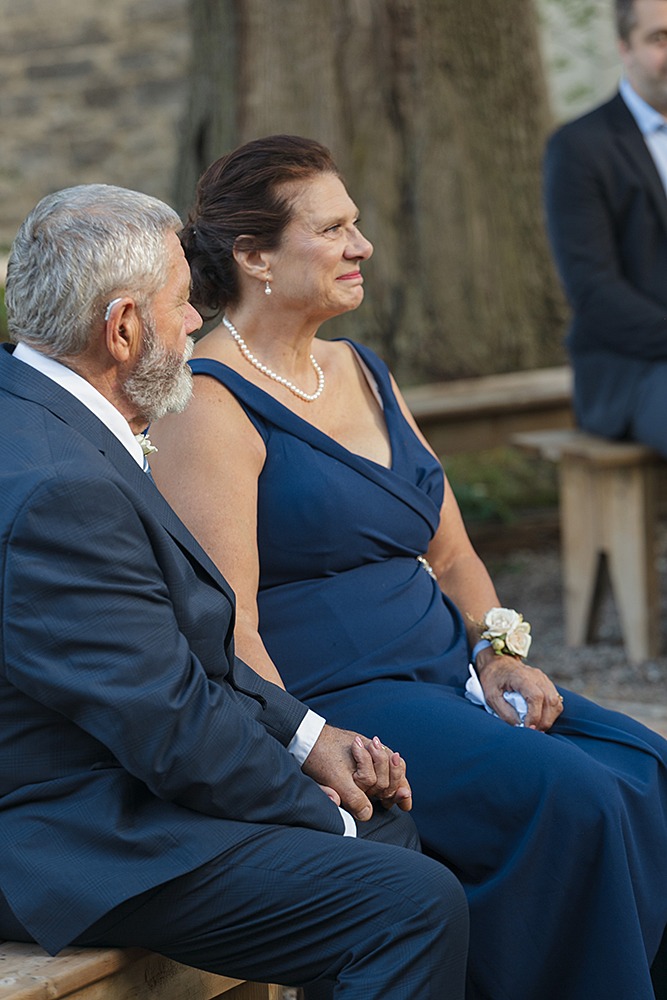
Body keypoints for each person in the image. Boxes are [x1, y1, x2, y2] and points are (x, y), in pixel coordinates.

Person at [150, 134, 667, 1000]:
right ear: (254, 257)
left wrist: (501, 650)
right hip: (345, 696)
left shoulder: (362, 370)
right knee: (570, 798)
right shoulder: (207, 402)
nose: (362, 246)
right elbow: (227, 619)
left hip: (449, 673)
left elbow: (454, 552)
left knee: (645, 768)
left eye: (357, 223)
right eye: (334, 228)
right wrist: (304, 747)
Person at [0, 182, 471, 1000]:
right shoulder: (56, 486)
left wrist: (307, 737)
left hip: (111, 778)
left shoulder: (42, 410)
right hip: (62, 830)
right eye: (182, 304)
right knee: (409, 901)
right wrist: (315, 807)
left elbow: (186, 653)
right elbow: (165, 720)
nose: (194, 324)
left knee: (386, 823)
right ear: (122, 328)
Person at [544, 0, 667, 453]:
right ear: (624, 47)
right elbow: (594, 290)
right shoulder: (580, 147)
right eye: (660, 38)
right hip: (636, 370)